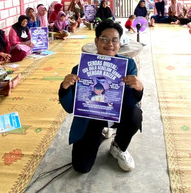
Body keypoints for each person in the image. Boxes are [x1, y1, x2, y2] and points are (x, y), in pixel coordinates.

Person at [59, 20, 144, 173]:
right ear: (96, 41)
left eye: (114, 40)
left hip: (116, 113)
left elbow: (131, 102)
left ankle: (118, 146)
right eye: (104, 38)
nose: (109, 43)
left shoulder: (128, 64)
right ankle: (99, 134)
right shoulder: (81, 68)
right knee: (81, 167)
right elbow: (70, 108)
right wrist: (64, 88)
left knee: (135, 115)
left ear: (119, 44)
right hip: (90, 118)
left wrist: (138, 89)